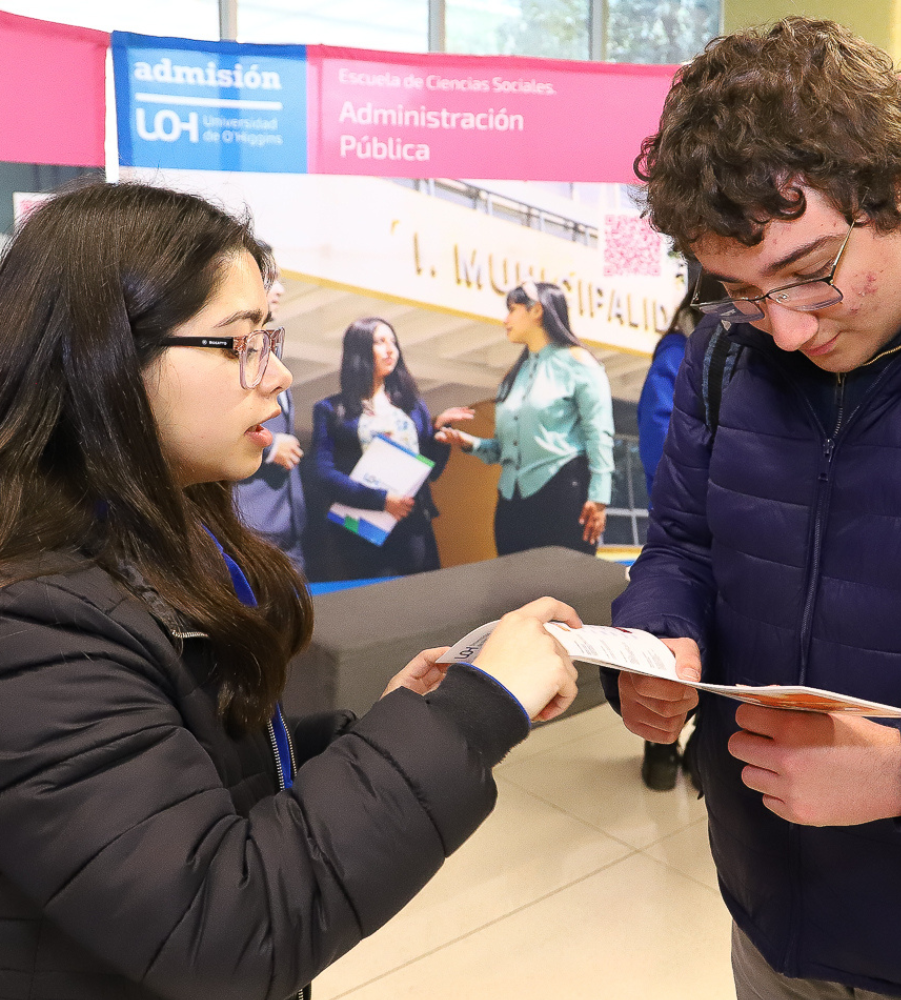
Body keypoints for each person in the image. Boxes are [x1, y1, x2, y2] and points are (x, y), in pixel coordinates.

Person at [0, 180, 582, 1000]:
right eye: (241, 343)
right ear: (104, 356)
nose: (276, 378)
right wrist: (472, 713)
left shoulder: (165, 526)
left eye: (269, 337)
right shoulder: (33, 615)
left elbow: (189, 759)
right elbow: (224, 925)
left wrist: (379, 729)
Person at [606, 16, 901, 999]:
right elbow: (683, 547)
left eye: (810, 273)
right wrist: (656, 641)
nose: (781, 330)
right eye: (739, 289)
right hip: (768, 915)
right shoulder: (726, 349)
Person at [437, 279, 615, 556]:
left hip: (565, 498)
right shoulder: (513, 376)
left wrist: (599, 498)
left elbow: (599, 434)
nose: (505, 319)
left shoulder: (579, 363)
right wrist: (468, 442)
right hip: (510, 505)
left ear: (536, 311)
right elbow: (502, 449)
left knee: (564, 593)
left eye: (512, 309)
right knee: (516, 595)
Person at [634, 276, 723, 792]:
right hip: (691, 523)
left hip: (741, 536)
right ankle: (661, 748)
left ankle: (694, 746)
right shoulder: (682, 351)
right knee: (670, 644)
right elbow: (659, 448)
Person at [310, 317, 473, 580]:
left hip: (414, 527)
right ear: (359, 350)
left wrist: (439, 436)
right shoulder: (331, 410)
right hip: (362, 530)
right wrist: (382, 500)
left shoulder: (412, 406)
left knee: (425, 601)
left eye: (393, 342)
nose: (390, 349)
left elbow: (430, 472)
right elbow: (322, 473)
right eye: (380, 342)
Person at [231, 248, 308, 572]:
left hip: (288, 529)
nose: (280, 290)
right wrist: (273, 445)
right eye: (271, 281)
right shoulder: (231, 359)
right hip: (250, 527)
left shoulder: (272, 358)